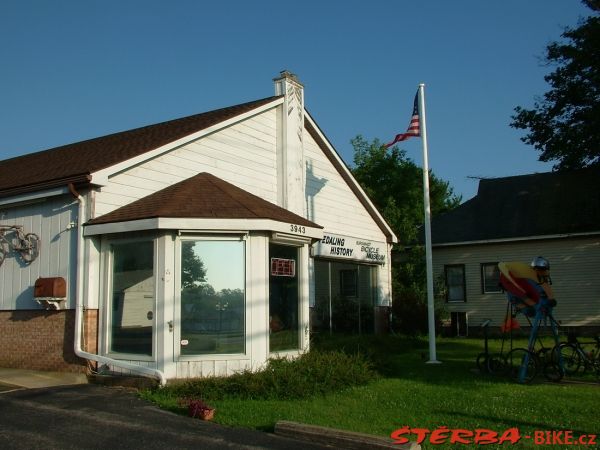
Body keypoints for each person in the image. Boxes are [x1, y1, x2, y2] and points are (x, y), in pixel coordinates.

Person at [497, 257, 556, 331]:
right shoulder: (524, 278)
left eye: (543, 270)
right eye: (540, 270)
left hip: (535, 301)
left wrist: (551, 299)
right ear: (534, 269)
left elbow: (545, 288)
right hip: (520, 299)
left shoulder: (538, 279)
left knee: (542, 308)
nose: (541, 272)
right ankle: (523, 308)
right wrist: (535, 305)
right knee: (528, 309)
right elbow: (522, 295)